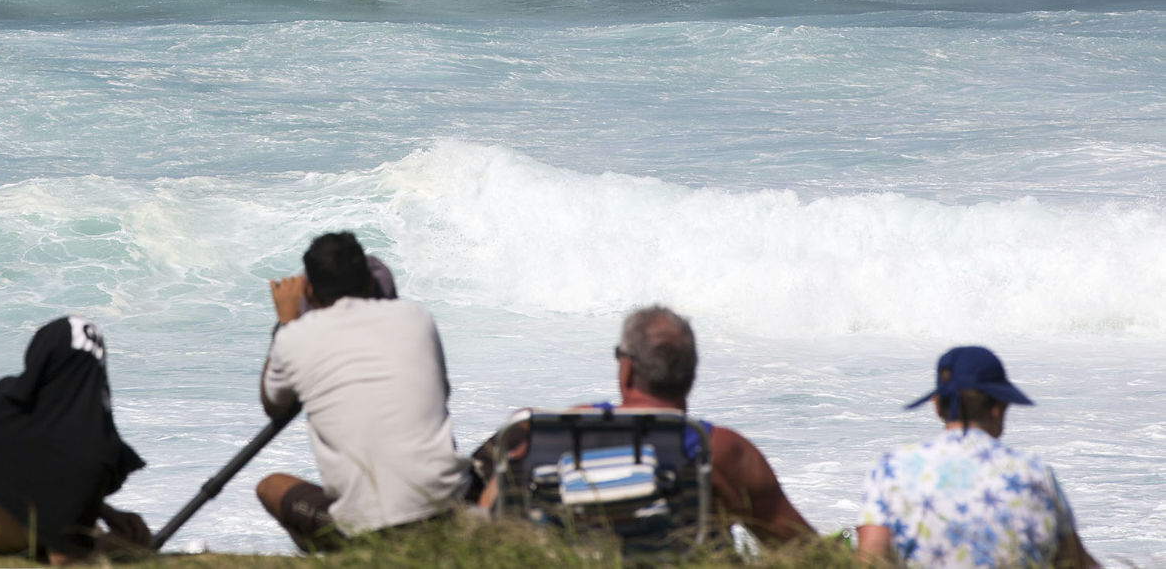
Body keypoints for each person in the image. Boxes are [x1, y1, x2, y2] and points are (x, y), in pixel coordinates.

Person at [476, 305, 815, 546]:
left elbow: (488, 520)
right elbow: (801, 550)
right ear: (691, 373)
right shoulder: (722, 450)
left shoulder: (555, 431)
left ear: (626, 369)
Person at [256, 232, 469, 551]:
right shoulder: (416, 318)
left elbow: (273, 403)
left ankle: (348, 556)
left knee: (271, 487)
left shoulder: (294, 338)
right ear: (370, 284)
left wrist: (286, 321)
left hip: (366, 529)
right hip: (449, 510)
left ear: (310, 291)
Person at [0, 316, 150, 564]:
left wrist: (101, 510)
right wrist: (116, 546)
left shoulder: (3, 400)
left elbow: (10, 472)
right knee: (85, 523)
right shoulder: (94, 452)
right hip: (10, 541)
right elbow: (63, 558)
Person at [856, 346, 1099, 569]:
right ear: (999, 406)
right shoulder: (1035, 473)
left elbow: (870, 560)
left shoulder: (892, 469)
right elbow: (1075, 563)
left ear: (937, 405)